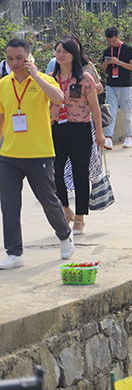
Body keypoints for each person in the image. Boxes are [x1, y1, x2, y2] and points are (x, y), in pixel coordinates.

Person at [0, 38, 75, 269]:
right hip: (9, 154)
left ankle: (64, 235)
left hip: (39, 153)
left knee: (48, 200)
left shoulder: (44, 80)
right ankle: (14, 252)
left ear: (29, 57)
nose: (15, 62)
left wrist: (35, 76)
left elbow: (59, 99)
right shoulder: (3, 84)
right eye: (10, 58)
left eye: (19, 58)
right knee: (9, 205)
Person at [51, 37, 105, 237]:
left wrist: (99, 133)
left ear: (74, 54)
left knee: (79, 173)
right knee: (55, 172)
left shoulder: (84, 78)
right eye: (58, 51)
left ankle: (80, 217)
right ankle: (66, 210)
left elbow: (95, 107)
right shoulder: (50, 78)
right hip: (56, 130)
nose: (61, 54)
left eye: (65, 51)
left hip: (80, 130)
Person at [101, 26, 132, 150]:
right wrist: (106, 64)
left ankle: (128, 136)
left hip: (125, 85)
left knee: (127, 111)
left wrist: (118, 62)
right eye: (109, 41)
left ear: (118, 37)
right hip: (111, 85)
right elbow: (104, 72)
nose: (111, 43)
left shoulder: (127, 49)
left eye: (114, 41)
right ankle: (109, 137)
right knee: (110, 111)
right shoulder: (107, 51)